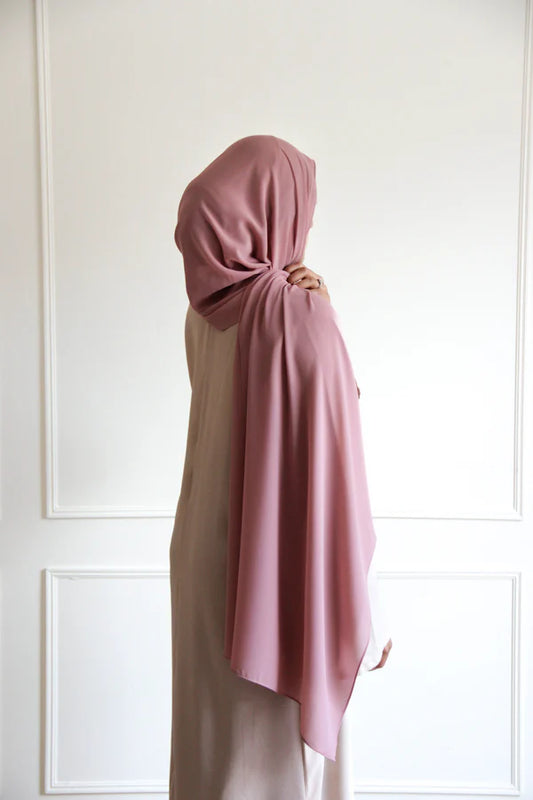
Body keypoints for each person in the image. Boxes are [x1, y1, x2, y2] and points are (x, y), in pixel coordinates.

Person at [169, 134, 392, 799]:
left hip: (205, 555)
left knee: (215, 749)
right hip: (275, 563)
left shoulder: (202, 315)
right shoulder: (298, 312)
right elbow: (332, 452)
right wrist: (368, 604)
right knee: (274, 756)